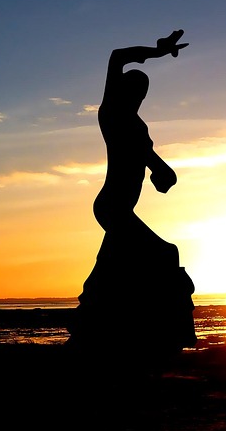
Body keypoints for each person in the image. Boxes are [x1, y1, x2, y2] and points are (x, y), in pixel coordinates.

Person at [67, 30, 197, 368]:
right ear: (122, 89)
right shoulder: (111, 114)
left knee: (110, 270)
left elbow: (151, 160)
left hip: (121, 208)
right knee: (165, 254)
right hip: (111, 207)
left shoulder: (137, 124)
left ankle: (93, 337)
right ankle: (166, 334)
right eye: (134, 88)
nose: (139, 95)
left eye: (143, 91)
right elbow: (117, 57)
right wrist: (157, 51)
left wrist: (163, 173)